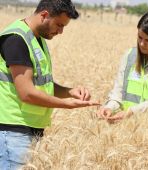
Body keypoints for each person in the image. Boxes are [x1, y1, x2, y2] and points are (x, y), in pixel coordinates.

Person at [0, 0, 99, 169]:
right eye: (59, 25)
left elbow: (42, 84)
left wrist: (70, 91)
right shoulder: (16, 39)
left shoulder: (36, 38)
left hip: (29, 131)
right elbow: (27, 93)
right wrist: (66, 104)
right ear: (44, 15)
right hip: (13, 132)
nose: (60, 31)